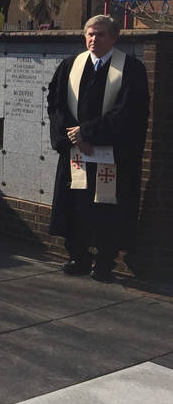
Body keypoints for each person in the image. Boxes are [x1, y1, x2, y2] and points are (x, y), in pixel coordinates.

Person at [47, 15, 149, 281]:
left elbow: (129, 112)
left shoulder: (131, 69)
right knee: (76, 204)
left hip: (111, 155)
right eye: (90, 34)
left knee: (107, 209)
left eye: (101, 34)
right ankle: (78, 256)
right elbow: (56, 105)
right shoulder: (70, 66)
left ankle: (104, 262)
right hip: (77, 152)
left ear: (114, 38)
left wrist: (87, 132)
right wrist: (73, 137)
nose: (94, 39)